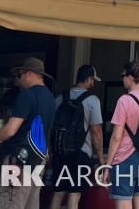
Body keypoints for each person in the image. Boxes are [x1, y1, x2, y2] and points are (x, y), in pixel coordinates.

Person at [0, 57, 57, 209]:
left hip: (19, 160)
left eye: (19, 75)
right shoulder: (50, 98)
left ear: (29, 73)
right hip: (39, 159)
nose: (18, 81)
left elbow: (10, 130)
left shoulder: (27, 95)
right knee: (31, 202)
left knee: (10, 200)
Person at [102, 60, 139, 209]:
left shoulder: (124, 101)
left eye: (123, 75)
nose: (122, 79)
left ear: (130, 77)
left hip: (125, 160)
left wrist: (107, 166)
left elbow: (116, 137)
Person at [50, 65, 104, 209]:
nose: (93, 83)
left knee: (58, 192)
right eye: (93, 80)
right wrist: (100, 157)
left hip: (60, 151)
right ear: (88, 79)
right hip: (81, 153)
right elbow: (96, 130)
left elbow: (52, 126)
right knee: (75, 193)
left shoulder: (60, 98)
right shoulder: (92, 100)